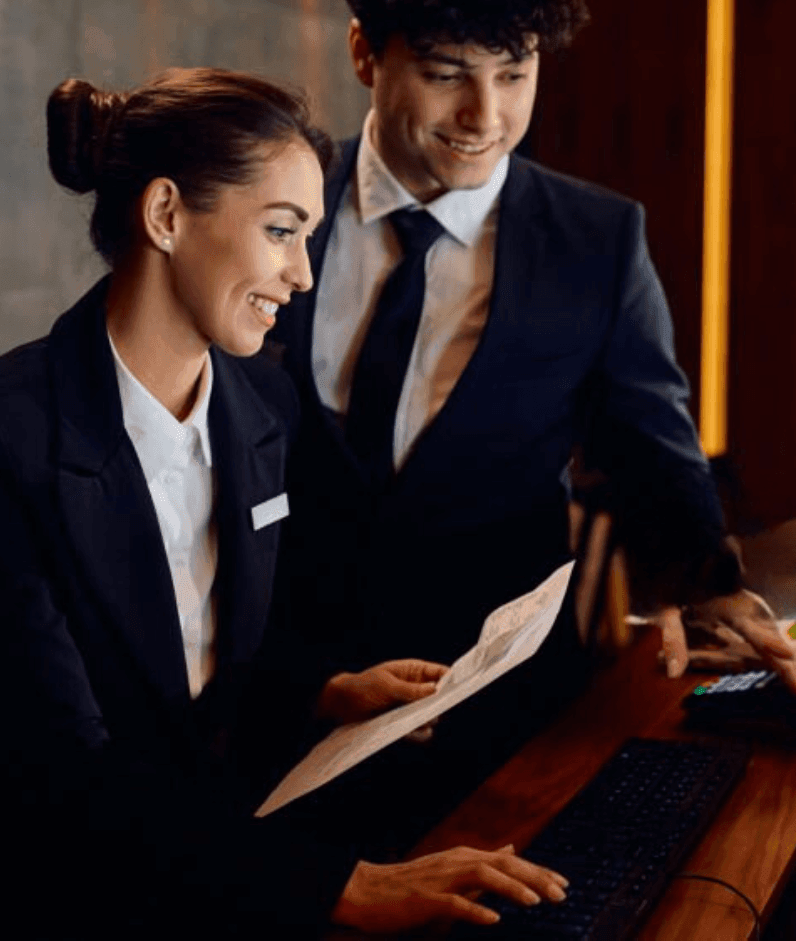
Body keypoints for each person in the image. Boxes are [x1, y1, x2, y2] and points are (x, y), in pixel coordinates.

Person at [269, 0, 796, 838]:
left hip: (504, 716)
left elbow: (650, 442)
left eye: (515, 76)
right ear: (366, 54)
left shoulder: (595, 240)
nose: (486, 116)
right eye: (447, 76)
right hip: (284, 703)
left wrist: (707, 579)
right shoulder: (275, 205)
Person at [0, 68, 568, 939]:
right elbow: (75, 775)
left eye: (306, 237)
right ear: (164, 216)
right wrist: (345, 886)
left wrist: (323, 693)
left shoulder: (264, 403)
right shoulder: (14, 437)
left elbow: (203, 665)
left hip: (224, 863)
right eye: (280, 232)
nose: (302, 274)